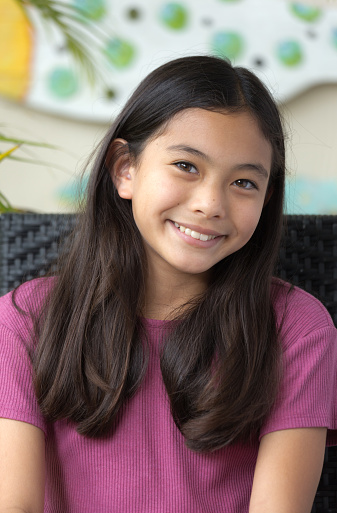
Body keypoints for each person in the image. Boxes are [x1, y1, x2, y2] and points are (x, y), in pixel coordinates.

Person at [0, 55, 336, 513]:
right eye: (186, 166)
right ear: (125, 169)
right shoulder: (25, 319)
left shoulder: (298, 328)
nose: (210, 204)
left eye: (243, 182)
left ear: (266, 197)